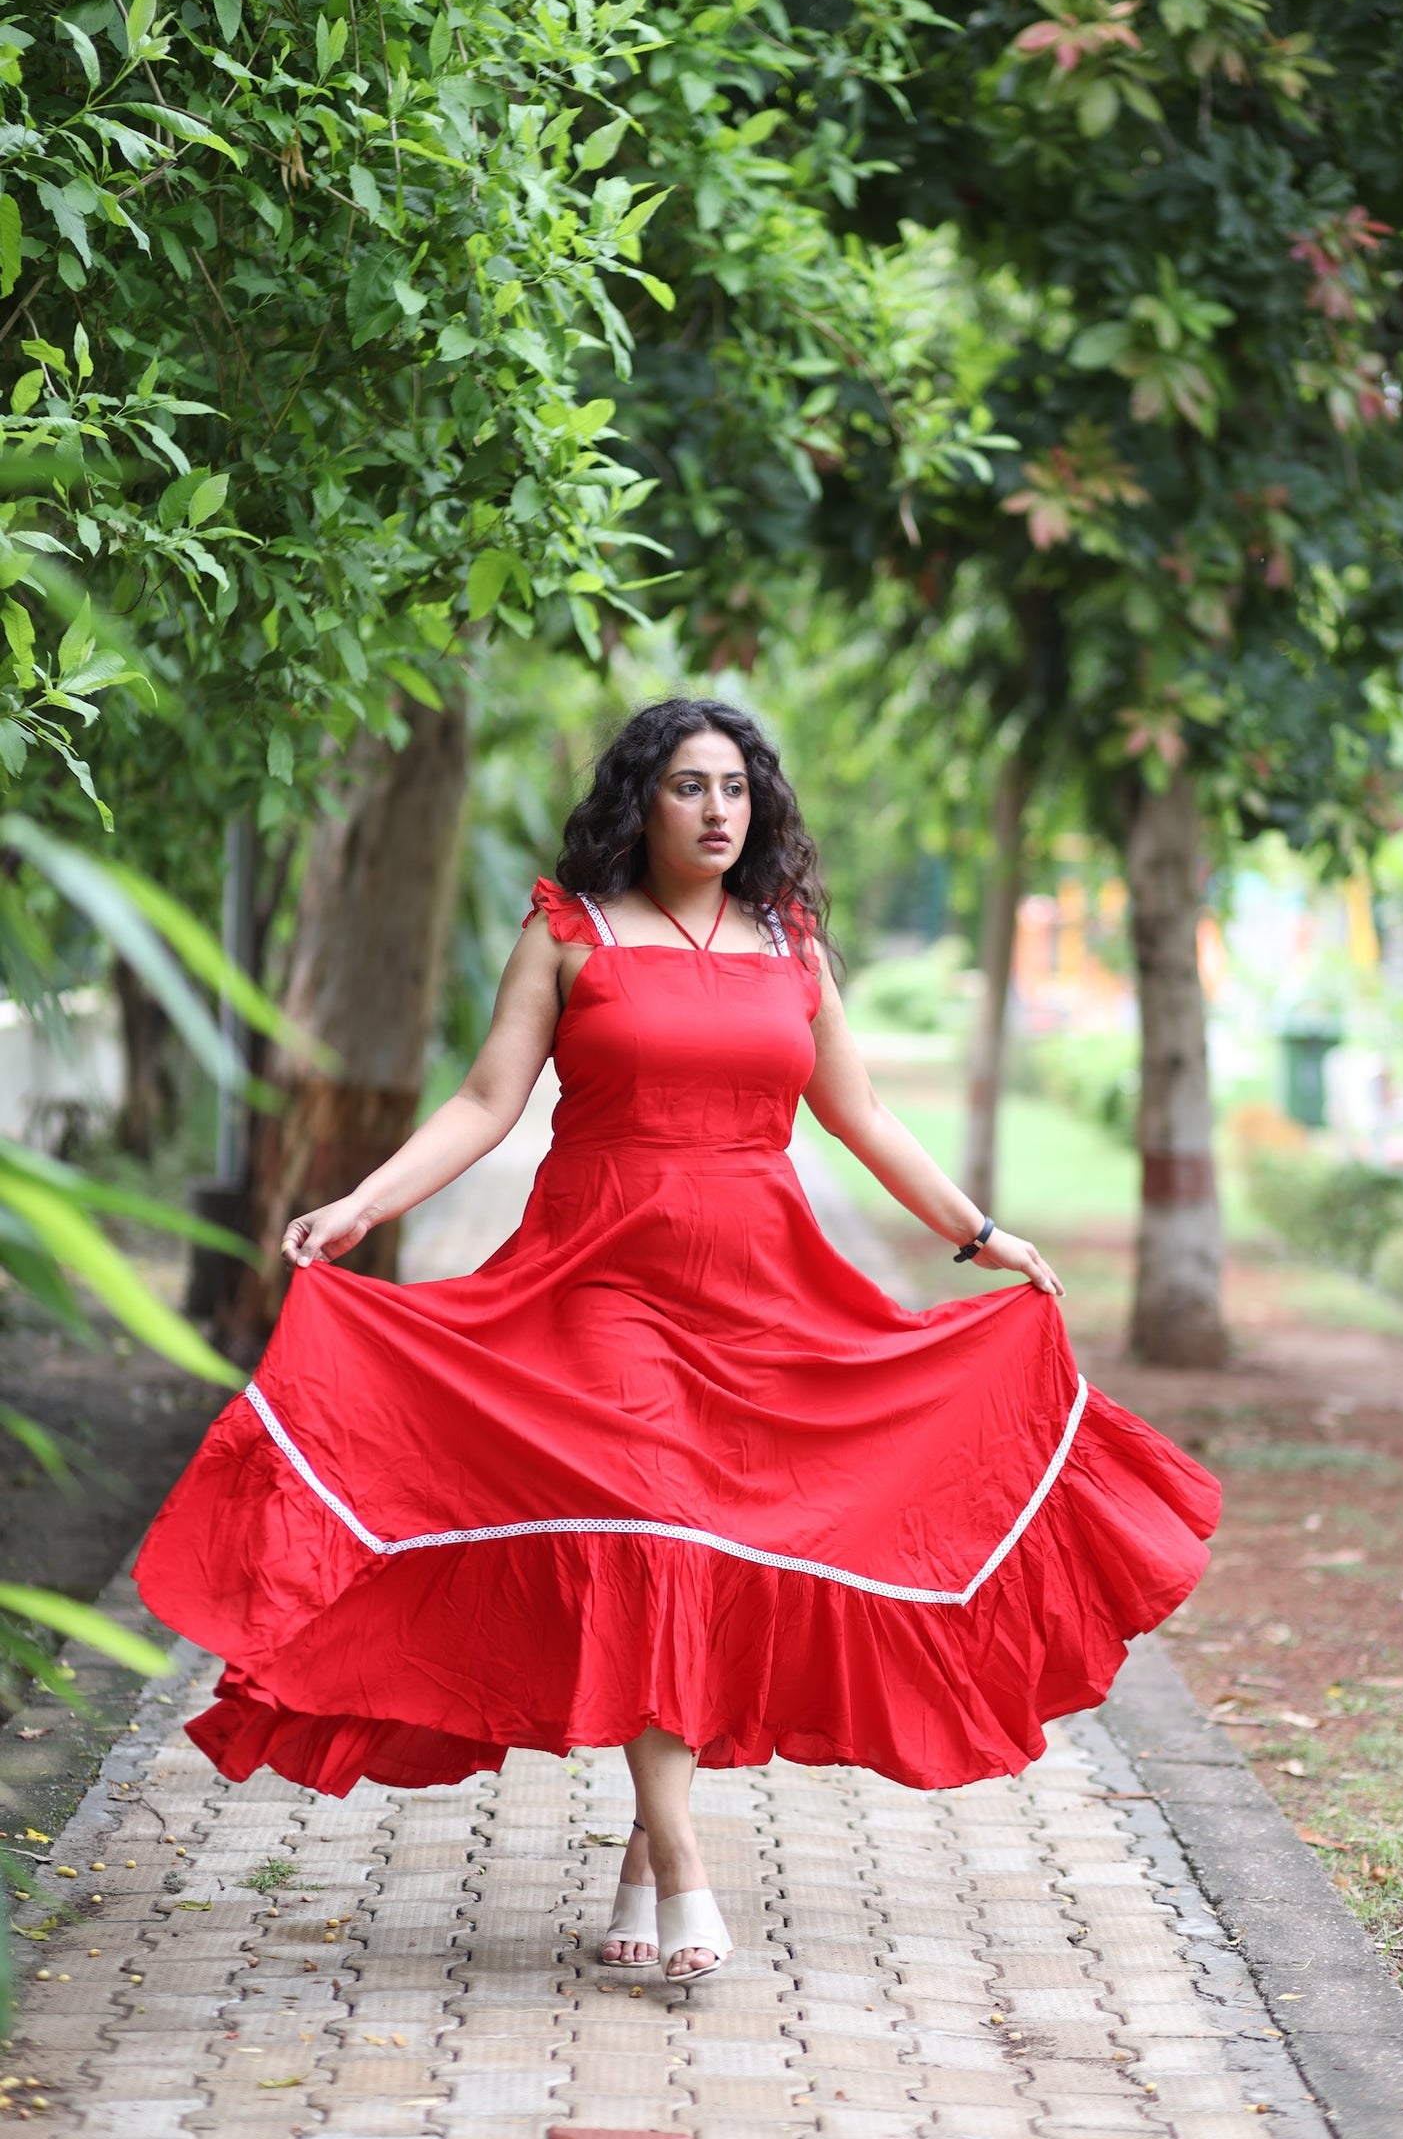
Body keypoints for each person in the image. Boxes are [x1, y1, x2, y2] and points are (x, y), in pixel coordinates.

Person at [136, 696, 1220, 1985]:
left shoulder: (792, 946)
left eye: (737, 790)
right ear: (638, 804)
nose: (718, 811)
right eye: (689, 788)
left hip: (762, 1293)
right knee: (650, 1535)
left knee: (706, 1555)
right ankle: (691, 1868)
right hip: (598, 1282)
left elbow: (861, 1116)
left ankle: (647, 1849)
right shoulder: (567, 935)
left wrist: (981, 1234)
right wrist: (366, 1204)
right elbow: (488, 1101)